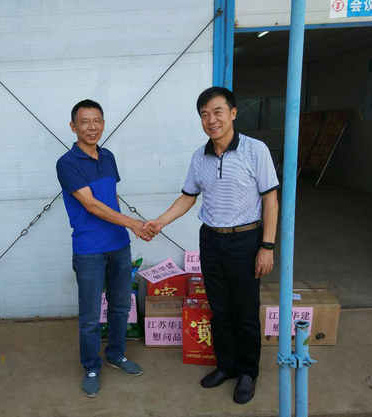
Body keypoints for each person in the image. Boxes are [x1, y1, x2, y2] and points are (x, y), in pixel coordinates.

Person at [145, 87, 279, 404]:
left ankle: (248, 373)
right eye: (204, 115)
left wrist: (267, 246)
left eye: (218, 112)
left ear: (233, 113)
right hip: (211, 240)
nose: (211, 120)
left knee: (245, 310)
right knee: (219, 308)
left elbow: (270, 200)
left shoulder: (255, 150)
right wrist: (160, 221)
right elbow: (188, 197)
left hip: (246, 240)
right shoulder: (199, 157)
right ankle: (226, 366)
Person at [56, 99, 152, 398]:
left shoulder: (108, 156)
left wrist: (127, 228)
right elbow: (92, 205)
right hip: (89, 249)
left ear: (103, 123)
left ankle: (116, 354)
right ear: (73, 127)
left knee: (121, 306)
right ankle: (91, 367)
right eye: (85, 121)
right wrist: (134, 224)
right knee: (90, 315)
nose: (92, 127)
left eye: (97, 120)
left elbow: (111, 197)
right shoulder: (67, 163)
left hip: (119, 245)